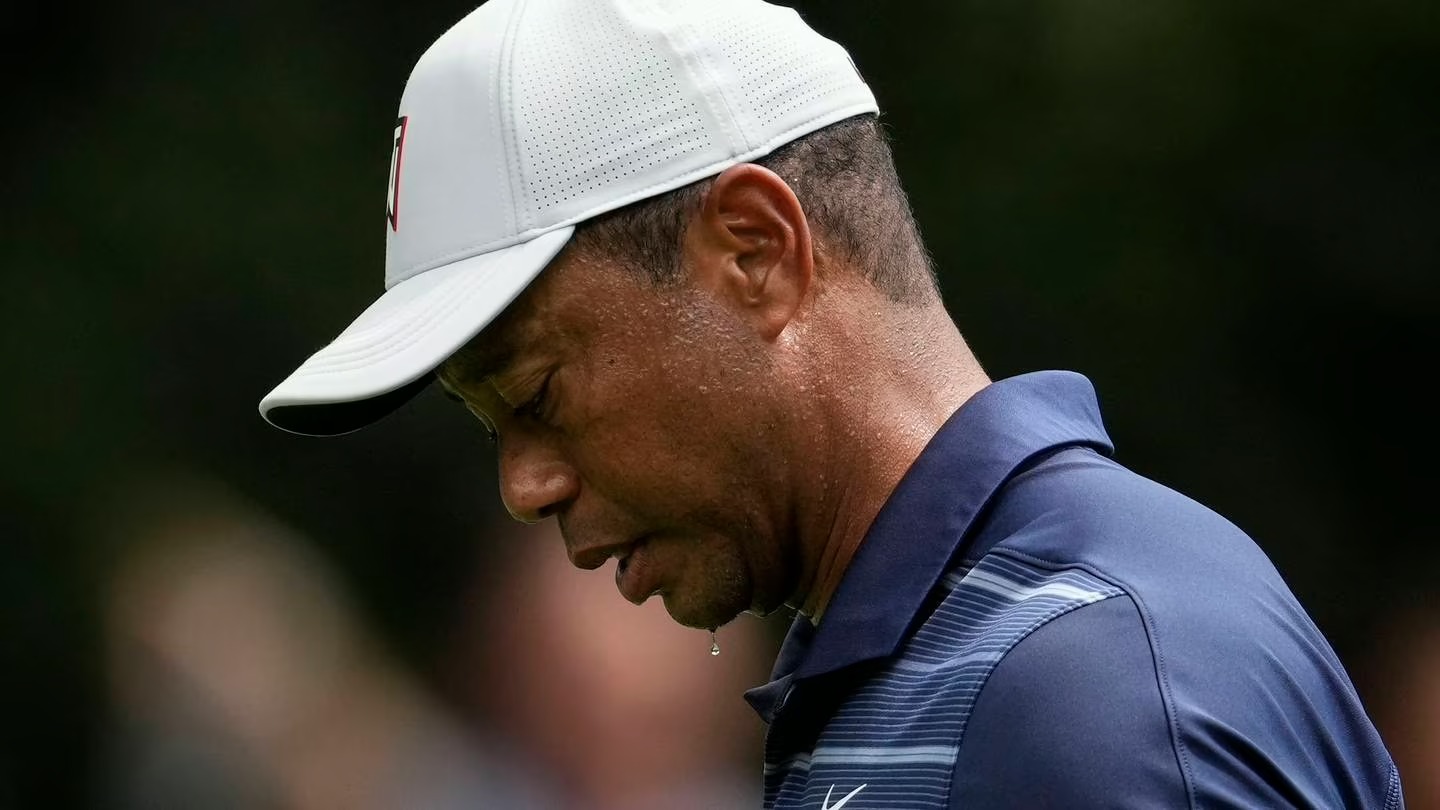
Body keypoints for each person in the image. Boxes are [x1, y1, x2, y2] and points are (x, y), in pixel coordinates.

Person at [258, 0, 1403, 806]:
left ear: (757, 252)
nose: (523, 485)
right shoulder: (956, 667)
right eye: (490, 425)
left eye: (540, 393)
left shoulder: (1081, 693)